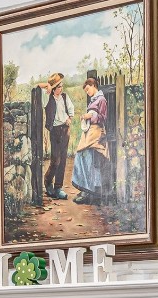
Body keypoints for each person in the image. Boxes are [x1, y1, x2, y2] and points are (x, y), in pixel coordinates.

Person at [71, 77, 111, 205]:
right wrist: (86, 117)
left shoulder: (101, 100)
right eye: (86, 91)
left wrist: (90, 116)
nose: (87, 92)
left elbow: (103, 118)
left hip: (96, 134)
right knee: (84, 158)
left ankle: (89, 191)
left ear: (93, 85)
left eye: (88, 89)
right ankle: (86, 189)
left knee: (87, 159)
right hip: (89, 134)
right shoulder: (93, 100)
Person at [36, 72, 74, 200]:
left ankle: (58, 187)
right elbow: (37, 86)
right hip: (55, 130)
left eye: (61, 86)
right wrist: (48, 86)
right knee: (55, 159)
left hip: (65, 129)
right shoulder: (47, 97)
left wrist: (70, 118)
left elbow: (71, 109)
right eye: (58, 86)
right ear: (53, 88)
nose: (61, 88)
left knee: (63, 159)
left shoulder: (64, 97)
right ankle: (47, 181)